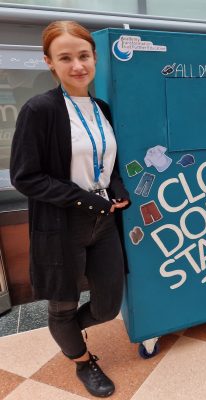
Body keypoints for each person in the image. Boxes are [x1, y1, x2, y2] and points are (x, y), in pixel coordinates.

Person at [10, 21, 130, 397]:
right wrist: (88, 199)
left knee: (108, 304)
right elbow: (25, 177)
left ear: (94, 58)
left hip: (104, 221)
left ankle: (66, 333)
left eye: (83, 56)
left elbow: (107, 161)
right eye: (65, 58)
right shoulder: (39, 110)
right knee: (62, 306)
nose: (77, 65)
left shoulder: (102, 108)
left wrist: (116, 188)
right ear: (49, 62)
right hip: (61, 223)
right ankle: (81, 360)